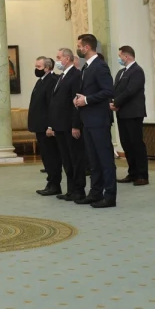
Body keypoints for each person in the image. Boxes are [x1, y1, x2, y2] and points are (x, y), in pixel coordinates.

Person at [73, 34, 117, 208]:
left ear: (87, 47)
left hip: (99, 120)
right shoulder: (86, 68)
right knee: (93, 160)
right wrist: (79, 99)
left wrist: (87, 100)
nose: (78, 48)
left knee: (105, 160)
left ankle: (110, 196)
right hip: (88, 120)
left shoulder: (100, 66)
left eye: (79, 46)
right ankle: (95, 192)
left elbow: (109, 91)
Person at [50, 49, 85, 201]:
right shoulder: (62, 76)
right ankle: (70, 189)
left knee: (75, 159)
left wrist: (75, 125)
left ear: (68, 58)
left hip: (70, 125)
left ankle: (79, 190)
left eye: (59, 57)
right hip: (60, 125)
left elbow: (76, 103)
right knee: (66, 159)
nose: (57, 60)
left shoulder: (76, 75)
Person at [111, 46, 148, 185]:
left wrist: (116, 102)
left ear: (127, 56)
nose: (119, 58)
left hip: (133, 113)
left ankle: (142, 175)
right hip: (122, 113)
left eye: (120, 55)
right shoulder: (121, 72)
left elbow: (131, 91)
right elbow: (116, 90)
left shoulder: (137, 71)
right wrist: (112, 102)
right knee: (126, 144)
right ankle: (132, 173)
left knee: (136, 144)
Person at [30, 57, 62, 196]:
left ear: (47, 68)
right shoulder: (41, 80)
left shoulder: (52, 81)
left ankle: (55, 184)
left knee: (52, 156)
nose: (36, 69)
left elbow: (52, 106)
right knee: (46, 156)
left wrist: (50, 126)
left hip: (47, 127)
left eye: (39, 66)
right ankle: (50, 182)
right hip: (39, 126)